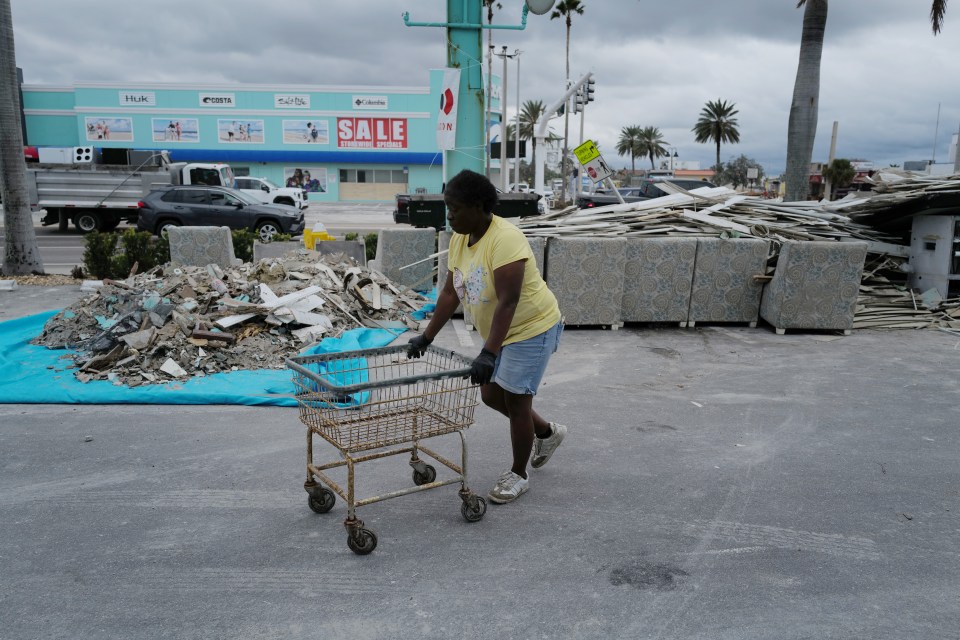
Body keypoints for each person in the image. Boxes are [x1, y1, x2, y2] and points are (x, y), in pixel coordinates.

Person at [407, 169, 566, 505]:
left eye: (455, 208)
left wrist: (489, 354)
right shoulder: (459, 239)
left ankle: (518, 475)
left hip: (532, 327)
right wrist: (426, 337)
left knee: (516, 401)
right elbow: (451, 292)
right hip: (502, 330)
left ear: (479, 206)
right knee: (491, 396)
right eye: (447, 207)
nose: (449, 215)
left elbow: (509, 301)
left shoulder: (505, 239)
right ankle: (547, 433)